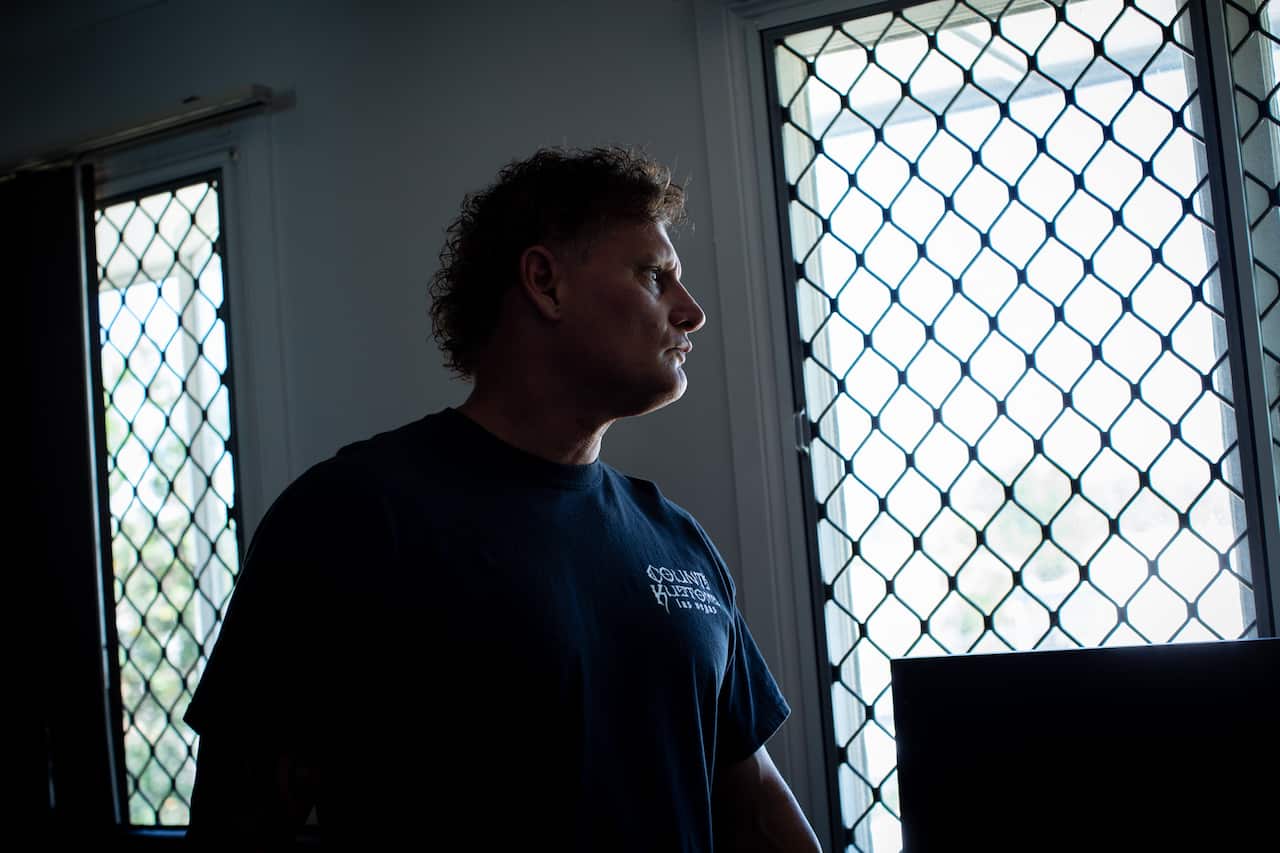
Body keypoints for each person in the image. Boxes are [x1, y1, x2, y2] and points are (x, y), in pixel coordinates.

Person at [184, 146, 822, 851]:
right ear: (546, 282)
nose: (692, 312)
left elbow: (753, 795)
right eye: (654, 275)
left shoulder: (677, 542)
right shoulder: (355, 515)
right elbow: (238, 818)